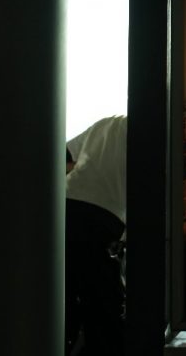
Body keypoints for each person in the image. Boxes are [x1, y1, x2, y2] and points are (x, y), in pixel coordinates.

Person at [65, 115, 127, 356]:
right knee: (104, 307)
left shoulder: (109, 123)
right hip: (104, 219)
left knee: (69, 297)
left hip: (65, 207)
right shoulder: (155, 132)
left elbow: (67, 158)